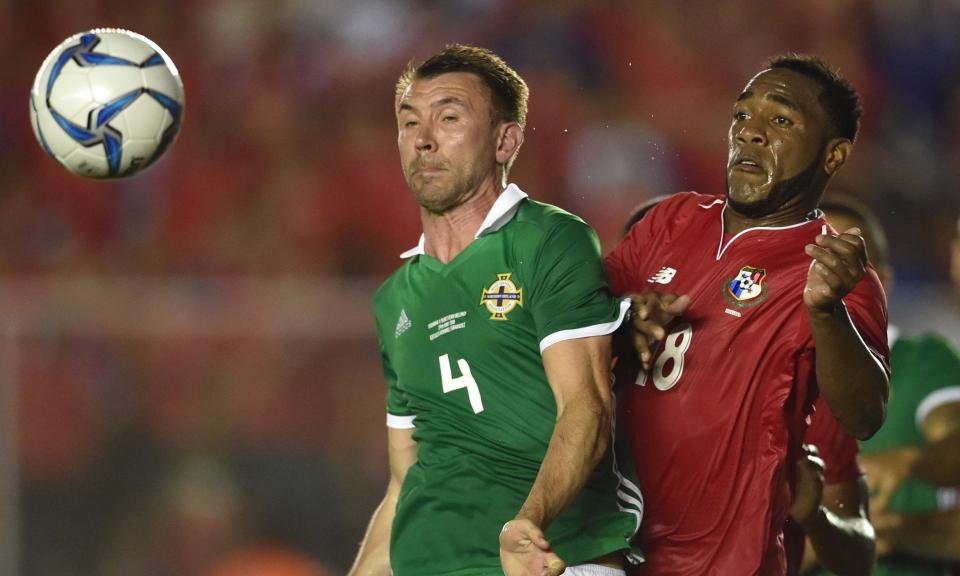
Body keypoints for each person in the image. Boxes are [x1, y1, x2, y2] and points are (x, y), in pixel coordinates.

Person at [348, 45, 642, 576]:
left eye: (450, 117)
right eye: (409, 121)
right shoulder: (393, 299)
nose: (424, 138)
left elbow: (587, 407)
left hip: (552, 561)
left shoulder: (549, 240)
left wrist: (526, 526)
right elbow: (402, 483)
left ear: (506, 140)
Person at [606, 55, 891, 575]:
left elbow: (864, 416)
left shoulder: (834, 272)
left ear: (834, 154)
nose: (750, 133)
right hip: (608, 546)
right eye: (742, 116)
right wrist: (623, 316)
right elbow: (577, 321)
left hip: (721, 562)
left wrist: (826, 312)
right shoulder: (669, 221)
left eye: (781, 120)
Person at [807, 196, 960, 575]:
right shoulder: (765, 375)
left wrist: (911, 461)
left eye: (848, 262)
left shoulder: (919, 360)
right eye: (811, 260)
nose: (827, 277)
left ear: (883, 284)